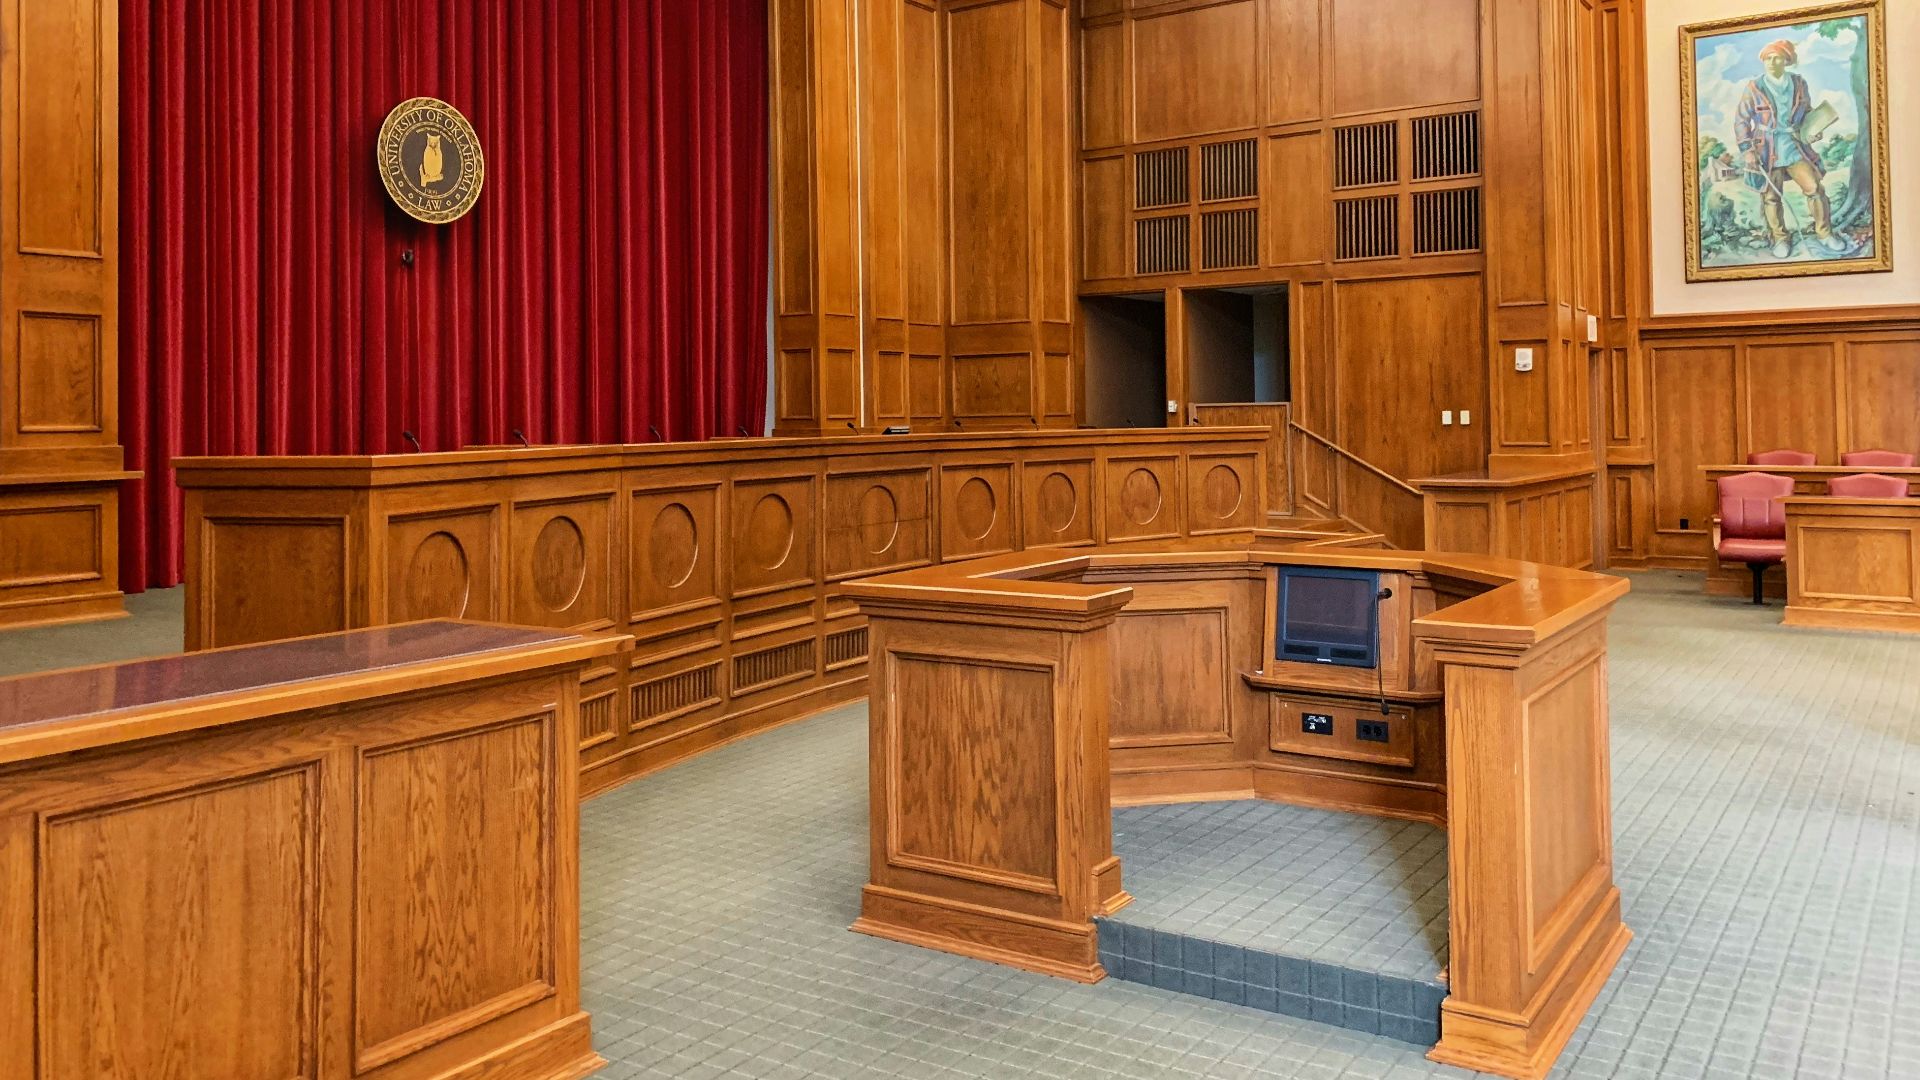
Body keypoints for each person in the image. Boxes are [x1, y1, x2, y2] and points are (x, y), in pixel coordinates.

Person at [1733, 39, 1846, 258]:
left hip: (1795, 147)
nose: (1772, 62)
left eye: (1777, 58)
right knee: (1771, 197)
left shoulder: (1799, 83)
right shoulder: (1754, 87)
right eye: (1768, 58)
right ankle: (1780, 239)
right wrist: (1747, 151)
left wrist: (1814, 129)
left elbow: (1807, 113)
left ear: (1787, 60)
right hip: (1766, 149)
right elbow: (1741, 121)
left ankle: (1824, 234)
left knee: (1815, 189)